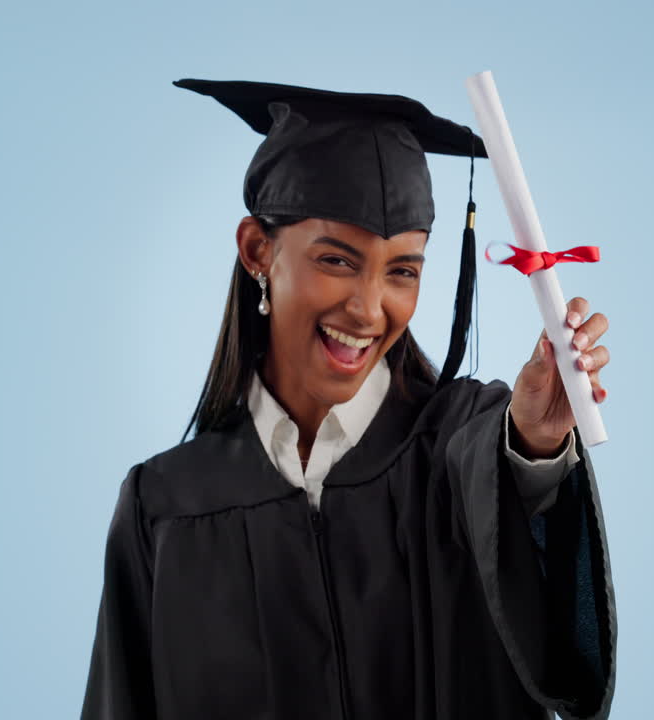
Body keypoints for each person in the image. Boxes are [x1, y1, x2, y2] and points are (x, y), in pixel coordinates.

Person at [81, 78, 616, 720]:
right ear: (258, 250)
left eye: (402, 270)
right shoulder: (165, 507)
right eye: (337, 260)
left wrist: (537, 443)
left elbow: (509, 497)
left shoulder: (461, 445)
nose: (368, 309)